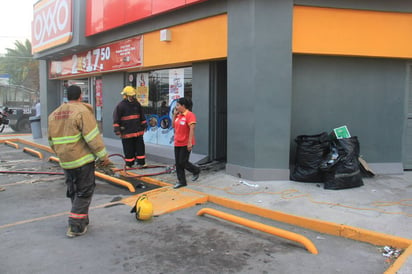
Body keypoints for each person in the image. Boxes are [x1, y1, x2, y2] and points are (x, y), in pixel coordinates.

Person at [48, 85, 112, 238]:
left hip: (65, 161)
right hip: (82, 160)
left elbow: (51, 141)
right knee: (84, 191)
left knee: (74, 191)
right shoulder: (82, 111)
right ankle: (76, 226)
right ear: (80, 96)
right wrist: (103, 157)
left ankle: (82, 219)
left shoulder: (54, 114)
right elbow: (93, 138)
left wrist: (61, 154)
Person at [113, 86, 147, 168]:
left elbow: (142, 116)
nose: (132, 97)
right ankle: (129, 164)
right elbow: (116, 119)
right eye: (130, 96)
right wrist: (117, 130)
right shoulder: (120, 106)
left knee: (140, 148)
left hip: (138, 131)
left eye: (133, 96)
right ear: (125, 96)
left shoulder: (137, 104)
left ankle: (141, 163)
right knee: (128, 149)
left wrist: (144, 125)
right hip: (127, 132)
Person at [172, 97, 200, 189]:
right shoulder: (178, 115)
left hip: (186, 142)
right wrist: (174, 116)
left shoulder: (190, 115)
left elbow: (192, 129)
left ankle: (196, 170)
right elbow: (173, 126)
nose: (176, 107)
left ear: (183, 106)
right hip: (177, 142)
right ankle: (182, 181)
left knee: (182, 162)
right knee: (178, 163)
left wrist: (189, 143)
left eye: (178, 105)